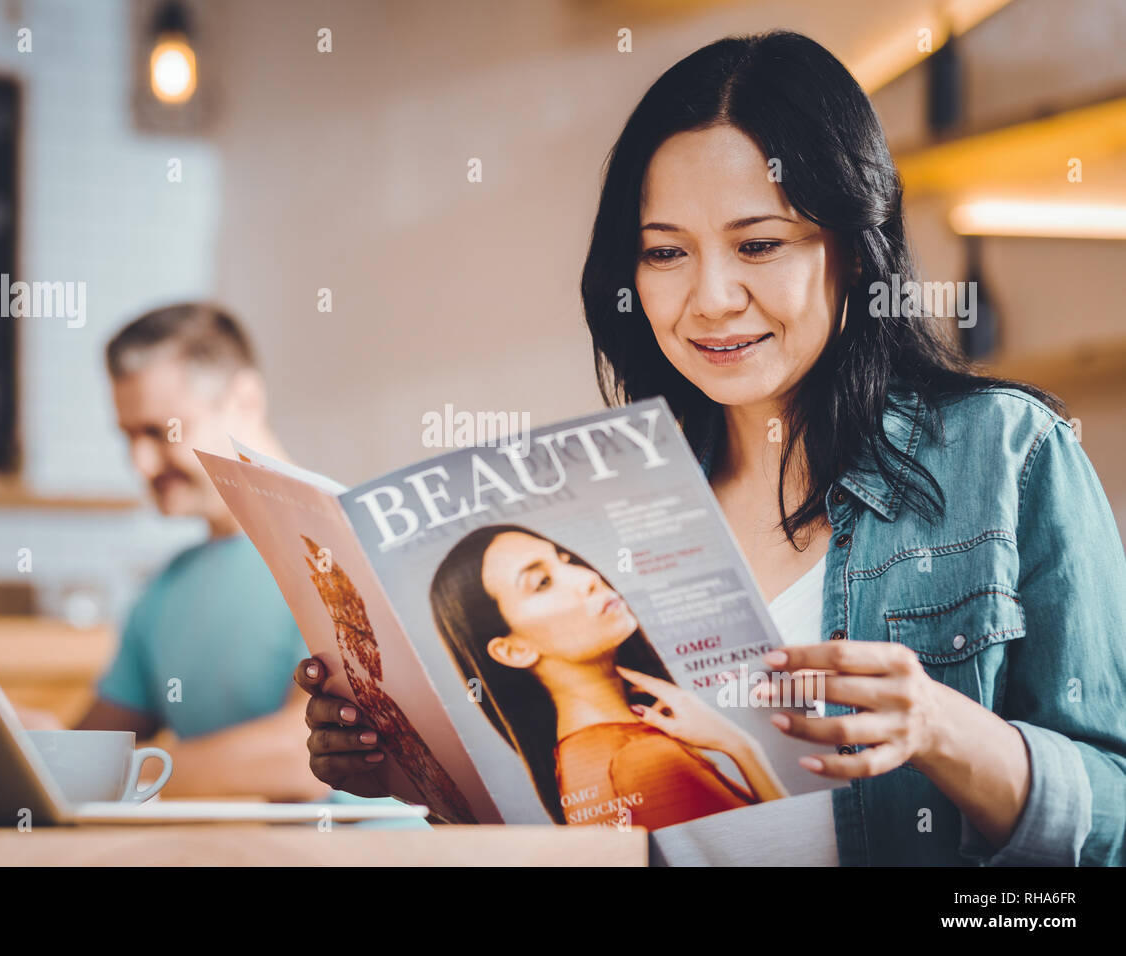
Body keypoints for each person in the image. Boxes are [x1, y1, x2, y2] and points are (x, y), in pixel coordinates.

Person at [296, 30, 1126, 865]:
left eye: (759, 244)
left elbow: (1114, 818)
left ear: (854, 249)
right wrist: (424, 780)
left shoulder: (1009, 453)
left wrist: (945, 727)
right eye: (665, 252)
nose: (712, 300)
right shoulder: (608, 510)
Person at [72, 302, 323, 801]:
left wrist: (106, 779)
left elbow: (305, 759)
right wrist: (24, 740)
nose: (140, 464)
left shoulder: (339, 549)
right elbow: (87, 748)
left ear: (245, 400)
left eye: (159, 431)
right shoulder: (166, 588)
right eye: (127, 437)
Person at [429, 523, 788, 830]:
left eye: (566, 560)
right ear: (513, 650)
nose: (588, 578)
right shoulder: (642, 760)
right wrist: (743, 747)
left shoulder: (575, 759)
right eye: (542, 582)